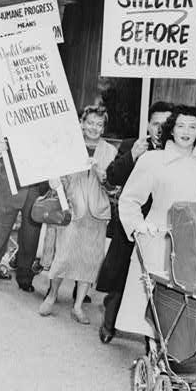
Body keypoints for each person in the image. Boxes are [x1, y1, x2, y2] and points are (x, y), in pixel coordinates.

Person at [116, 105, 196, 339]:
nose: (186, 131)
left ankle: (179, 346)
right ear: (172, 130)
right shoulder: (153, 160)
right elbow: (129, 199)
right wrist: (138, 227)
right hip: (158, 238)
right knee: (152, 302)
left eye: (192, 126)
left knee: (188, 302)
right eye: (180, 125)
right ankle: (155, 351)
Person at [96, 100, 174, 344]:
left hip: (161, 224)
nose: (159, 129)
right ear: (148, 125)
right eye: (155, 123)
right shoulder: (134, 145)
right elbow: (112, 176)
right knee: (120, 275)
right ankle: (109, 323)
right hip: (132, 223)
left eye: (165, 124)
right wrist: (132, 156)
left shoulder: (177, 153)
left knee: (158, 280)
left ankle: (156, 335)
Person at [39, 105, 117, 324]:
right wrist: (54, 182)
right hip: (73, 209)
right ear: (82, 123)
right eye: (90, 123)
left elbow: (113, 186)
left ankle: (78, 306)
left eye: (99, 124)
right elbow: (60, 177)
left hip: (97, 213)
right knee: (63, 256)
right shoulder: (70, 146)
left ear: (103, 128)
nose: (94, 128)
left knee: (89, 261)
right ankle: (52, 295)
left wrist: (101, 173)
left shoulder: (110, 151)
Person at [0, 140, 45, 293]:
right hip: (9, 185)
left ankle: (25, 277)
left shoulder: (48, 122)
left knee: (31, 237)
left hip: (36, 188)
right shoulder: (11, 119)